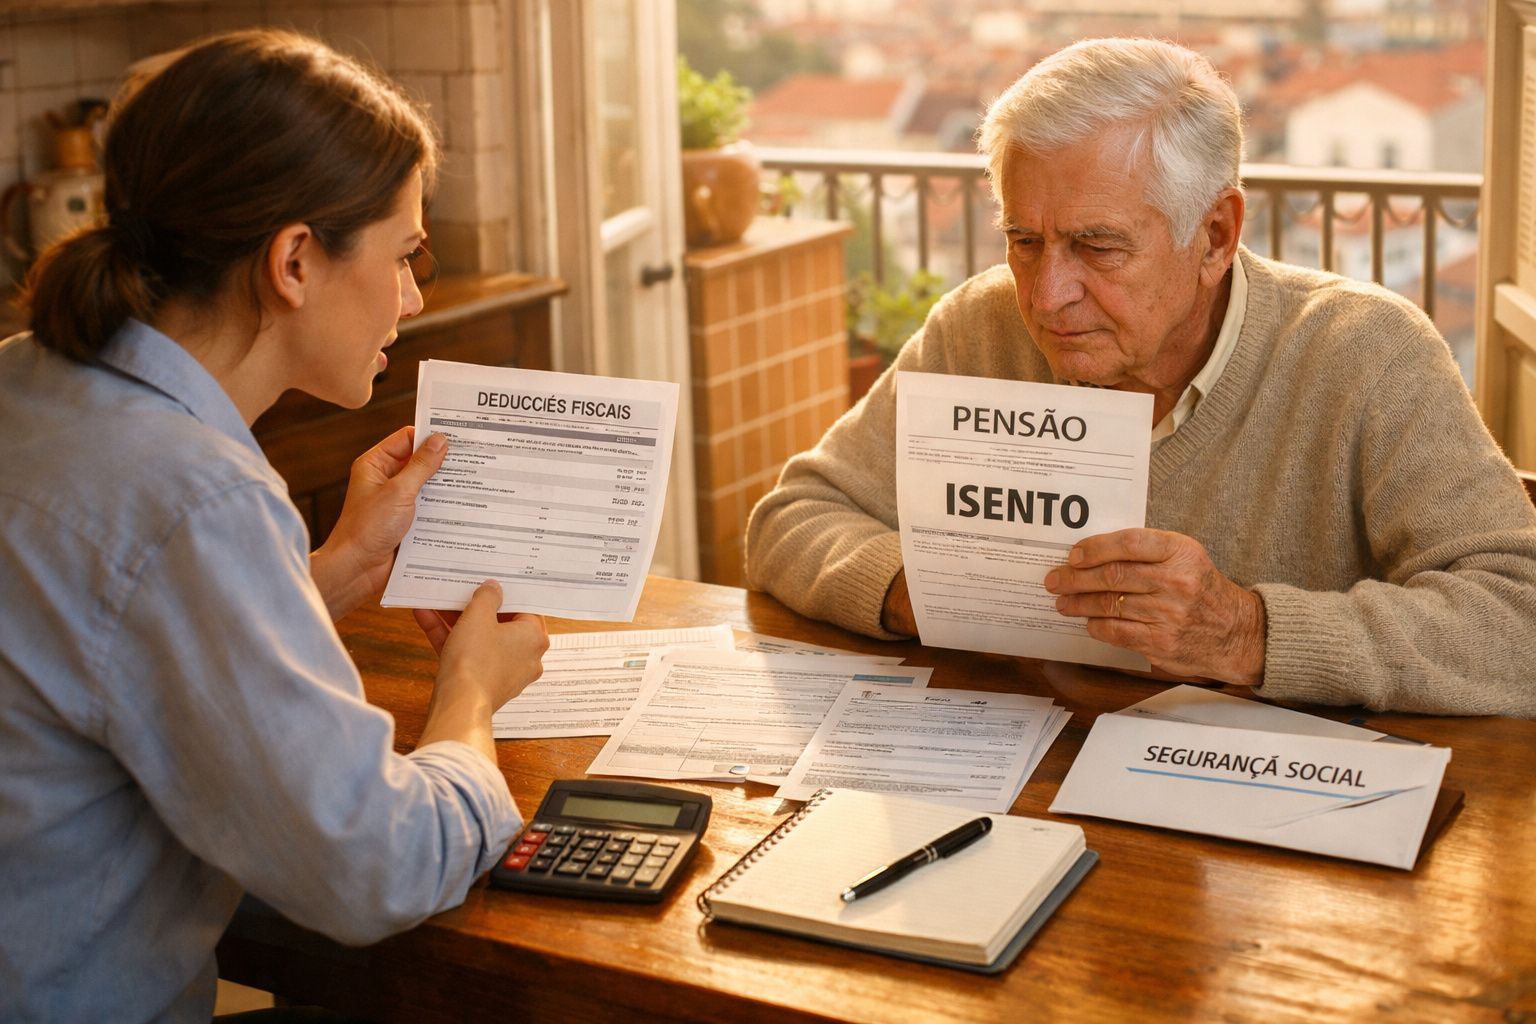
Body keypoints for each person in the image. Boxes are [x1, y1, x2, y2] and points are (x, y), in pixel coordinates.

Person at [0, 30, 549, 1022]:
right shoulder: (194, 497)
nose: (413, 295)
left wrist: (334, 569)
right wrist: (472, 691)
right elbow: (380, 868)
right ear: (294, 260)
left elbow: (109, 648)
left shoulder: (25, 375)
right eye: (404, 254)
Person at [746, 37, 1536, 717]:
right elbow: (793, 517)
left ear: (1216, 234)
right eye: (1024, 241)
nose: (1045, 297)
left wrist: (1245, 632)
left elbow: (1519, 618)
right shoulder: (979, 328)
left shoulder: (1367, 352)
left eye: (1098, 247)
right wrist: (932, 589)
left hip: (1279, 812)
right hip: (1021, 766)